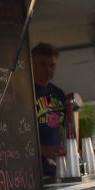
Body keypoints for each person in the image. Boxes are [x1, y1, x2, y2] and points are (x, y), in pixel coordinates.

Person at [31, 42, 67, 176]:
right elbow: (12, 137)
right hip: (31, 171)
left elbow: (71, 126)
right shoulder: (23, 94)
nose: (48, 70)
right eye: (43, 65)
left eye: (52, 66)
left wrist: (87, 145)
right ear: (32, 64)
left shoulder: (58, 93)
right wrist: (41, 150)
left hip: (57, 168)